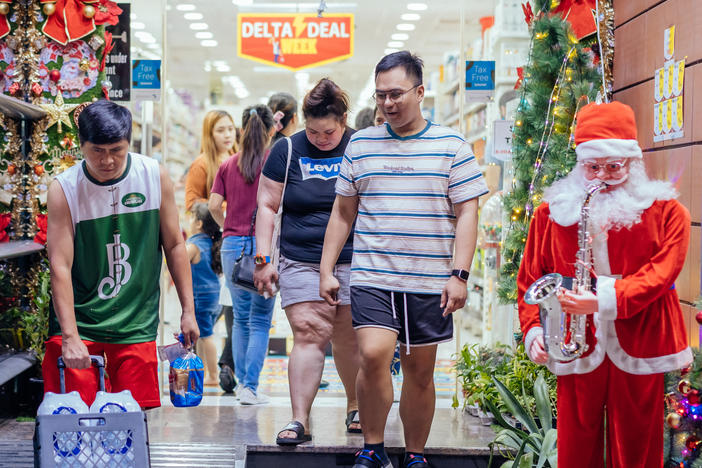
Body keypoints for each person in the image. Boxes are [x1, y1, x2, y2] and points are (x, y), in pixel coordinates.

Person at [319, 51, 488, 468]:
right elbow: (343, 211)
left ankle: (415, 454)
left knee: (419, 371)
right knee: (373, 354)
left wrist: (459, 275)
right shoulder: (360, 144)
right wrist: (326, 268)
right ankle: (373, 447)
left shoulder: (451, 145)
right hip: (373, 274)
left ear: (420, 92)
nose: (388, 103)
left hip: (430, 280)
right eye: (381, 96)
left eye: (396, 94)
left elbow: (468, 211)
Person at [518, 101, 691, 468]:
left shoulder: (667, 212)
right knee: (575, 445)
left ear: (633, 162)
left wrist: (602, 299)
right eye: (592, 167)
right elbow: (531, 277)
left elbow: (662, 273)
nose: (602, 177)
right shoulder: (551, 213)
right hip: (573, 341)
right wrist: (534, 330)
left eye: (614, 167)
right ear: (579, 164)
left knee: (638, 445)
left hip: (642, 337)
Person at [43, 100, 199, 408]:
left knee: (132, 421)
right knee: (73, 420)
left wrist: (188, 311)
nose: (108, 160)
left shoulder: (154, 176)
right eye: (97, 151)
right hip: (81, 324)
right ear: (81, 145)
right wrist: (70, 336)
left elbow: (175, 245)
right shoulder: (64, 189)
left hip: (135, 324)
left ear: (129, 143)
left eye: (117, 149)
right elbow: (59, 265)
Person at [255, 78, 361, 445]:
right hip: (300, 260)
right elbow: (267, 206)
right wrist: (264, 258)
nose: (320, 139)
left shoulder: (360, 147)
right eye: (313, 131)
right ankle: (300, 418)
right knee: (308, 334)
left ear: (344, 120)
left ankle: (355, 405)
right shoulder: (286, 150)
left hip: (354, 259)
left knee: (349, 338)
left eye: (328, 131)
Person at [209, 104, 277, 405]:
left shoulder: (228, 165)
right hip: (264, 248)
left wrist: (228, 228)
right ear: (271, 129)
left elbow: (213, 204)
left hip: (232, 247)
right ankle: (251, 386)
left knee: (240, 319)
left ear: (241, 129)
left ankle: (241, 388)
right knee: (261, 320)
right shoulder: (274, 163)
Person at [185, 109, 238, 392]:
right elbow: (192, 202)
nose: (228, 134)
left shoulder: (239, 160)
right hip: (211, 240)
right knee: (209, 313)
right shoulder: (202, 165)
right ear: (209, 133)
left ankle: (227, 362)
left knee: (231, 307)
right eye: (220, 130)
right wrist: (222, 207)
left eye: (230, 128)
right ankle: (215, 367)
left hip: (233, 240)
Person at [186, 202, 223, 386]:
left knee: (206, 336)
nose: (189, 220)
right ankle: (204, 372)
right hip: (213, 295)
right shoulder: (211, 242)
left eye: (192, 216)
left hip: (200, 296)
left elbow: (177, 260)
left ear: (199, 223)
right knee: (201, 335)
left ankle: (213, 375)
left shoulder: (193, 245)